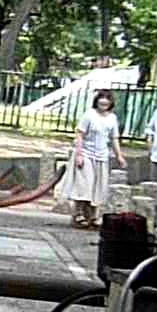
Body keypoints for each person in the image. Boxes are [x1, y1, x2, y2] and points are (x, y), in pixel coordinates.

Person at [58, 88, 126, 228]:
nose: (104, 102)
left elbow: (114, 138)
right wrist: (79, 154)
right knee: (84, 186)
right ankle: (78, 214)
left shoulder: (112, 118)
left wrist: (119, 156)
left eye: (107, 99)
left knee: (98, 187)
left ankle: (94, 216)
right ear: (97, 100)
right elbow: (80, 134)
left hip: (102, 156)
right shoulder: (89, 115)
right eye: (102, 98)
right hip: (87, 154)